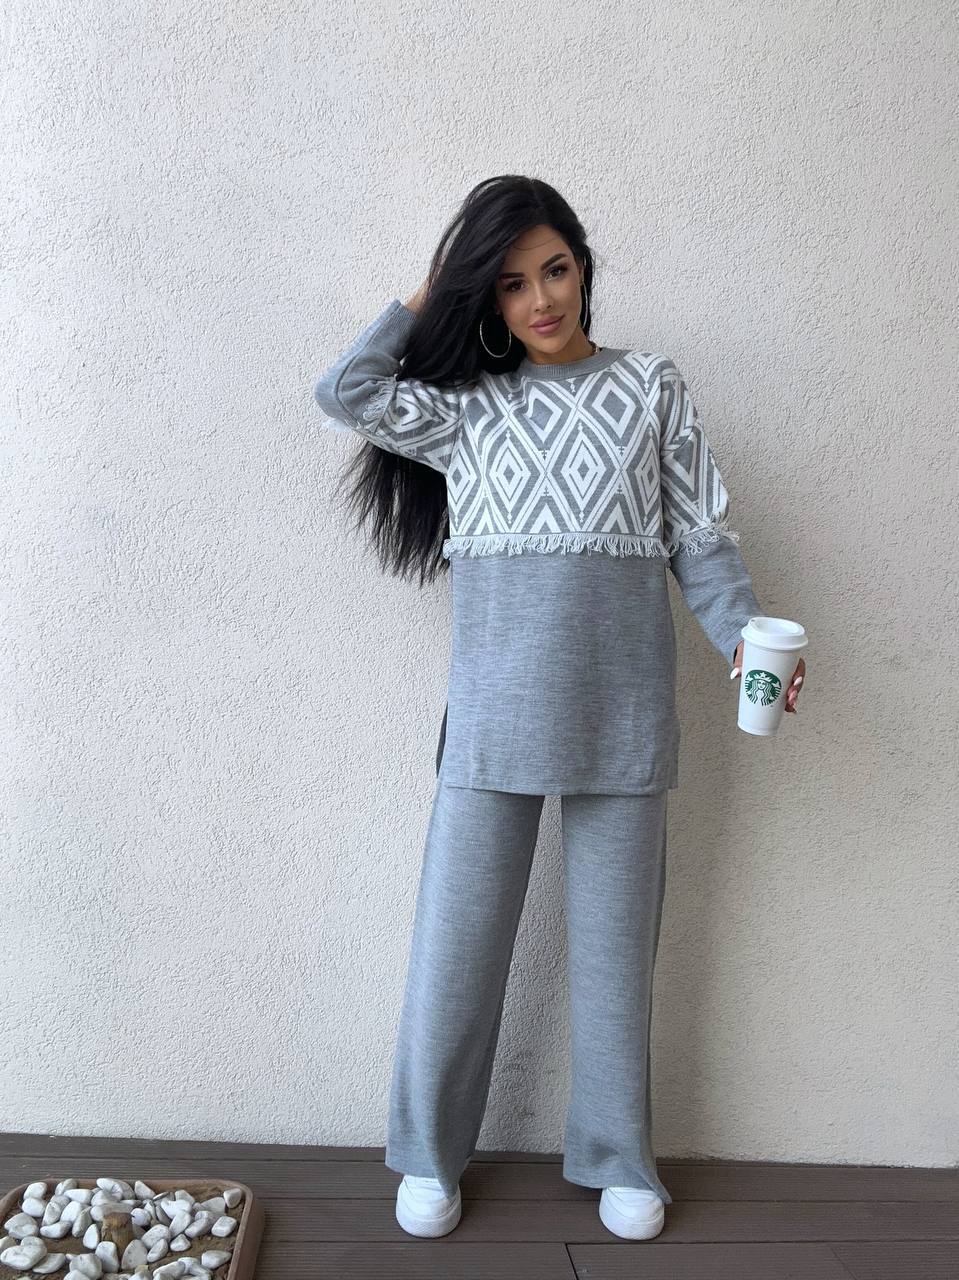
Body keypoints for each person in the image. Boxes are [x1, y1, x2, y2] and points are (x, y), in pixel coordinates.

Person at [312, 175, 806, 1241]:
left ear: (582, 265)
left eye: (554, 269)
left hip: (623, 722)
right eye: (507, 283)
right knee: (455, 951)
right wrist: (430, 289)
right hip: (491, 725)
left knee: (615, 960)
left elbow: (700, 540)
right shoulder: (466, 413)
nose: (539, 298)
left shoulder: (650, 388)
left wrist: (740, 640)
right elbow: (346, 389)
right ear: (482, 300)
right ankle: (431, 1154)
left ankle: (617, 1155)